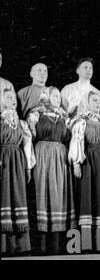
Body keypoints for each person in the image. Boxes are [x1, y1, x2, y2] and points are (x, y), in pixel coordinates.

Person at [27, 87, 76, 253]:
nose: (58, 98)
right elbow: (30, 136)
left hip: (60, 156)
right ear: (46, 96)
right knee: (43, 193)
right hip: (42, 155)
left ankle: (58, 245)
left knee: (59, 195)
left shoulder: (64, 116)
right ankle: (41, 245)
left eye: (59, 96)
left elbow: (72, 138)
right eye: (54, 95)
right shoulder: (35, 114)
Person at [68, 90, 100, 252]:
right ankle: (86, 244)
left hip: (99, 158)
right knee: (86, 195)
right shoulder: (81, 120)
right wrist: (77, 163)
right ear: (87, 102)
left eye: (98, 100)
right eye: (94, 100)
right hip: (86, 158)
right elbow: (76, 141)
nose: (97, 103)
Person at [0, 89, 35, 256]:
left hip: (18, 161)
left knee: (18, 197)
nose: (12, 100)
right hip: (3, 160)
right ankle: (4, 245)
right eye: (8, 98)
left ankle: (20, 245)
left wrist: (28, 167)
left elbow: (27, 146)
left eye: (14, 98)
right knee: (4, 196)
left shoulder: (21, 123)